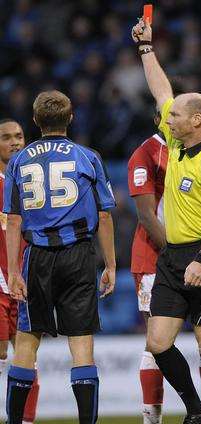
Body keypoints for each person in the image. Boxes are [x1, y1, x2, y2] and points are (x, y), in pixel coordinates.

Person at [3, 90, 116, 424]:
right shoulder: (87, 156)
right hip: (79, 254)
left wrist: (12, 271)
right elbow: (105, 215)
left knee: (26, 344)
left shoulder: (20, 160)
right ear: (70, 118)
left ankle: (14, 421)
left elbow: (13, 219)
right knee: (81, 344)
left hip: (36, 256)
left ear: (36, 121)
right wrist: (110, 264)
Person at [131, 17, 201, 424]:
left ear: (196, 121)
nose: (167, 119)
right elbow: (160, 90)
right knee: (158, 341)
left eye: (175, 116)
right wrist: (146, 48)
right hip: (171, 257)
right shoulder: (175, 141)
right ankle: (197, 409)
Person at [128, 111, 168, 424]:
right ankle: (151, 420)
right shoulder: (146, 153)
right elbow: (146, 215)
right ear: (158, 117)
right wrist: (179, 253)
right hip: (156, 258)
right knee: (156, 342)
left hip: (200, 256)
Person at [0, 118, 39, 424]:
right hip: (1, 281)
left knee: (28, 358)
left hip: (27, 280)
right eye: (6, 137)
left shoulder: (32, 181)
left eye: (19, 136)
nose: (14, 142)